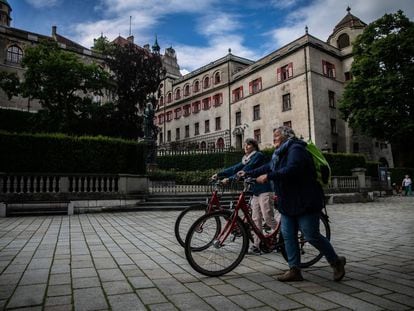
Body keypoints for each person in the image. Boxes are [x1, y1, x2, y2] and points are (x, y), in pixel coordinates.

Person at [238, 126, 346, 282]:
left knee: (311, 235)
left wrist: (269, 177)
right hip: (287, 200)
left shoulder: (296, 148)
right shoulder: (279, 153)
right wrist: (248, 172)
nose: (273, 138)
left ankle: (336, 262)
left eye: (276, 135)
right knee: (288, 236)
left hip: (305, 200)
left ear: (285, 136)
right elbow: (269, 166)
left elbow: (293, 169)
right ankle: (294, 270)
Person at [212, 138, 277, 255]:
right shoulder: (246, 159)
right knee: (256, 219)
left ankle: (284, 237)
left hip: (265, 189)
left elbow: (247, 169)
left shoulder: (258, 155)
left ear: (254, 146)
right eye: (245, 145)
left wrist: (230, 179)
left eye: (249, 144)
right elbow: (235, 168)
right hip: (255, 191)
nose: (246, 146)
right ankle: (257, 245)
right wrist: (220, 174)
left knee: (267, 217)